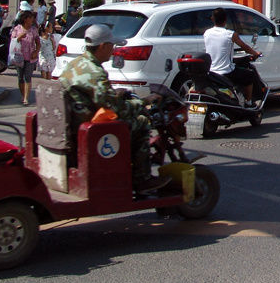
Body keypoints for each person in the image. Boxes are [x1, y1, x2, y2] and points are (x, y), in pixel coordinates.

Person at [58, 24, 167, 193]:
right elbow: (115, 109)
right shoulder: (96, 72)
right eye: (112, 45)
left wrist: (116, 93)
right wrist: (144, 102)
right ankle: (141, 179)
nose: (113, 49)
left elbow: (97, 95)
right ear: (103, 46)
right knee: (142, 122)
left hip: (75, 122)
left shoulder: (76, 63)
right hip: (90, 128)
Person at [203, 7, 264, 106]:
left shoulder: (207, 33)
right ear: (225, 20)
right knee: (249, 75)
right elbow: (245, 47)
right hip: (226, 72)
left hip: (211, 72)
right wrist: (255, 53)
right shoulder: (230, 34)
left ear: (212, 19)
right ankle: (248, 102)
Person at [10, 11, 39, 105]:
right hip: (19, 56)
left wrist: (36, 51)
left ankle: (26, 98)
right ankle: (23, 95)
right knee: (20, 78)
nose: (32, 20)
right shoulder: (17, 29)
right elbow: (13, 41)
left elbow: (38, 42)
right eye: (30, 18)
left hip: (30, 57)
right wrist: (19, 37)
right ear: (25, 19)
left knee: (28, 77)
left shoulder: (34, 30)